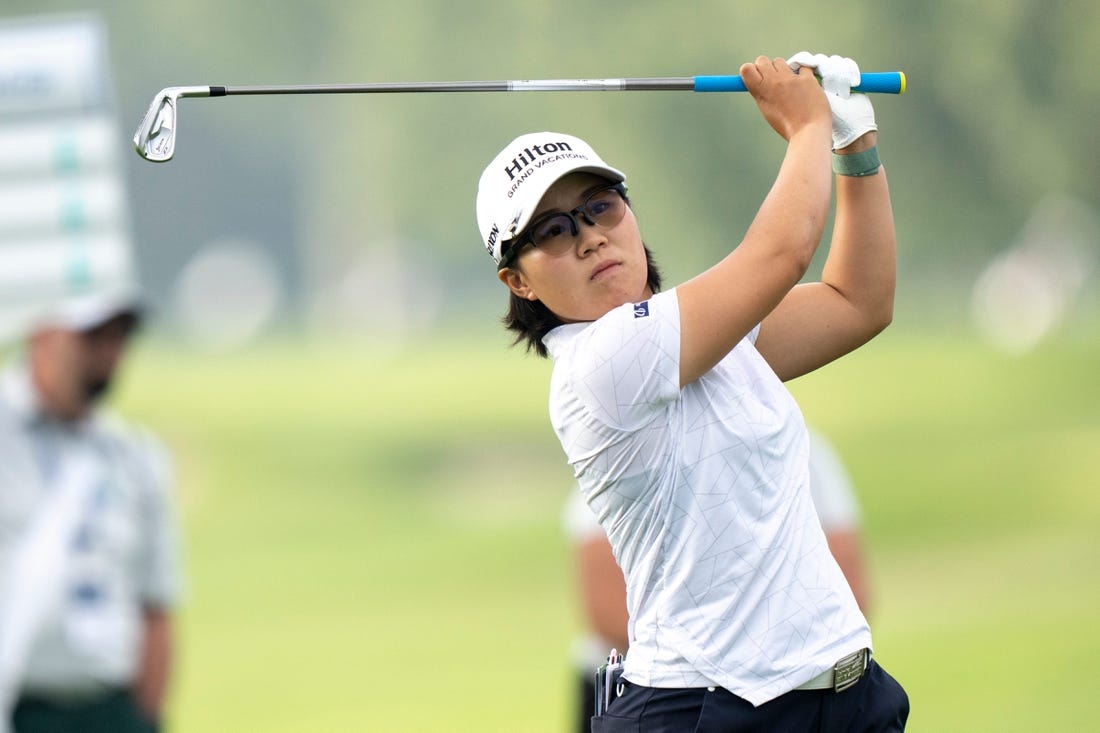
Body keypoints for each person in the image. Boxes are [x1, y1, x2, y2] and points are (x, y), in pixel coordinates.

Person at [475, 52, 908, 731]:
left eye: (599, 206)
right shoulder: (604, 363)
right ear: (518, 281)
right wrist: (806, 127)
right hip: (711, 709)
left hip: (842, 696)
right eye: (552, 231)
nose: (589, 237)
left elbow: (859, 300)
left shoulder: (704, 335)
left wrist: (854, 147)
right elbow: (781, 252)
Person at [563, 426, 871, 731]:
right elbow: (606, 609)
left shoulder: (803, 447)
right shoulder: (635, 446)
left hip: (784, 694)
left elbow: (850, 596)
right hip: (643, 694)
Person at [0, 287, 183, 733]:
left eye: (118, 338)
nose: (107, 354)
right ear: (43, 335)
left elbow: (155, 604)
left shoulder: (134, 457)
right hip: (21, 705)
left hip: (108, 706)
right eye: (92, 337)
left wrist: (146, 718)